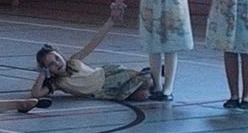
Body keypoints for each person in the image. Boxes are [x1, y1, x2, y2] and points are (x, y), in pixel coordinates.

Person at [28, 17, 158, 104]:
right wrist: (42, 74)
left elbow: (94, 42)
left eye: (57, 58)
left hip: (107, 75)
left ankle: (151, 75)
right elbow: (35, 94)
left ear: (61, 55)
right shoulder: (58, 83)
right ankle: (150, 75)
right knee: (143, 95)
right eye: (51, 64)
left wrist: (111, 21)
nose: (57, 63)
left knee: (146, 80)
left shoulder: (74, 61)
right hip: (102, 91)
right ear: (48, 69)